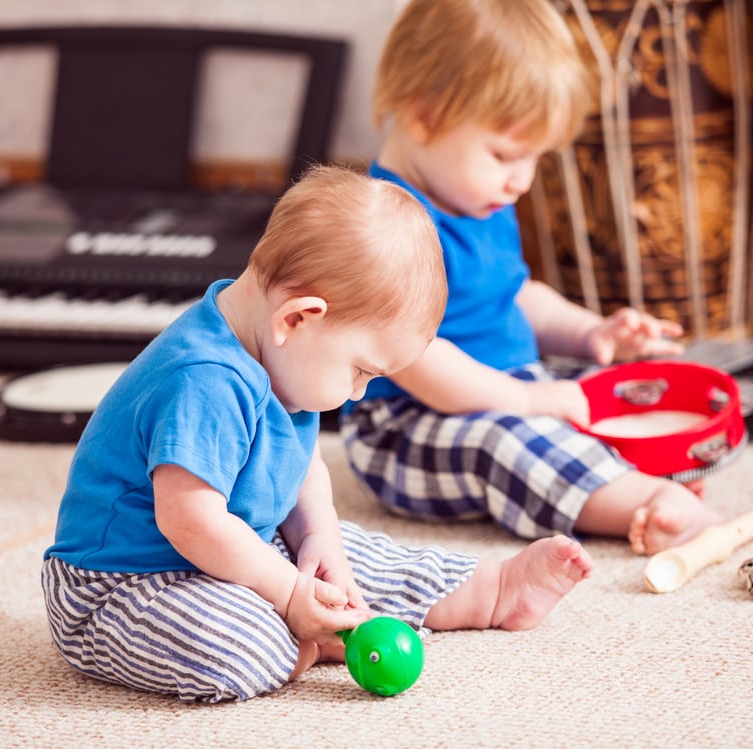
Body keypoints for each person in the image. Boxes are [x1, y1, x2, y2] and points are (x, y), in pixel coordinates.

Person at [41, 165, 593, 704]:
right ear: (298, 318)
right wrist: (286, 594)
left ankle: (490, 591)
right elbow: (190, 520)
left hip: (234, 546)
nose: (357, 393)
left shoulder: (281, 356)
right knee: (238, 644)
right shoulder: (204, 380)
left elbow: (300, 465)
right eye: (360, 371)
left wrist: (319, 540)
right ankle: (300, 637)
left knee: (354, 560)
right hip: (124, 585)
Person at [341, 0, 722, 557]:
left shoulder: (481, 201)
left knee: (595, 394)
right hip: (404, 423)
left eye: (534, 159)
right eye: (504, 154)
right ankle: (636, 504)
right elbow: (421, 363)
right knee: (506, 441)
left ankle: (620, 472)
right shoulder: (386, 226)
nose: (521, 180)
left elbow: (516, 294)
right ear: (423, 115)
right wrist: (531, 399)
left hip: (503, 383)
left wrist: (592, 332)